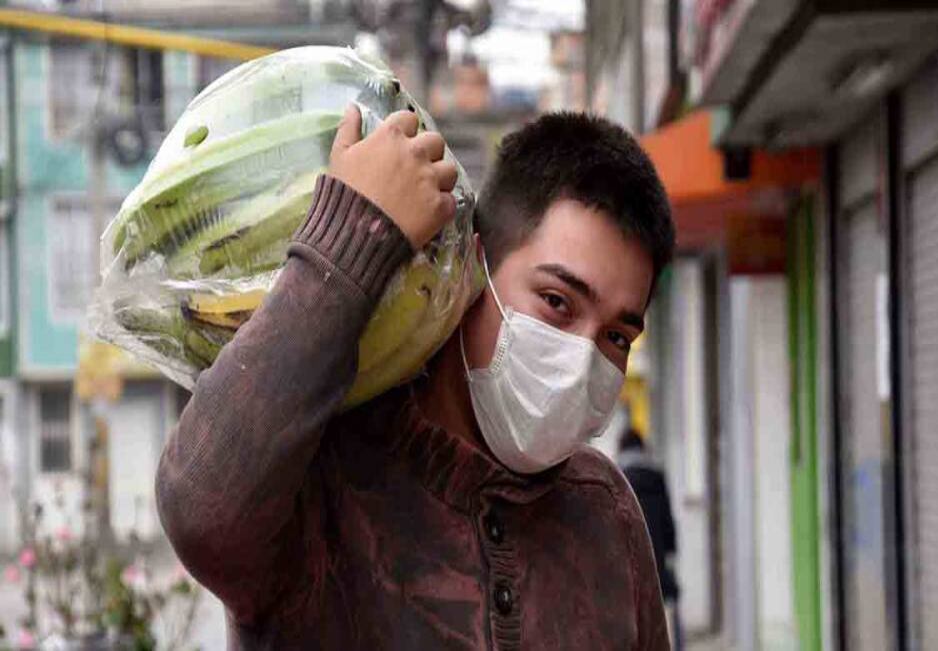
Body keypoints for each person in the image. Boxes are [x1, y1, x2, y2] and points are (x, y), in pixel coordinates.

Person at [155, 103, 675, 649]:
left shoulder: (605, 512)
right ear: (475, 271)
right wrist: (350, 241)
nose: (580, 358)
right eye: (556, 302)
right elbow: (200, 512)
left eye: (617, 337)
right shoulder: (320, 480)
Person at [617, 429, 682, 650]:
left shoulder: (618, 478)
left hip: (629, 558)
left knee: (633, 614)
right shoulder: (657, 477)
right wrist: (671, 551)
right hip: (658, 557)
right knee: (666, 609)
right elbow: (667, 519)